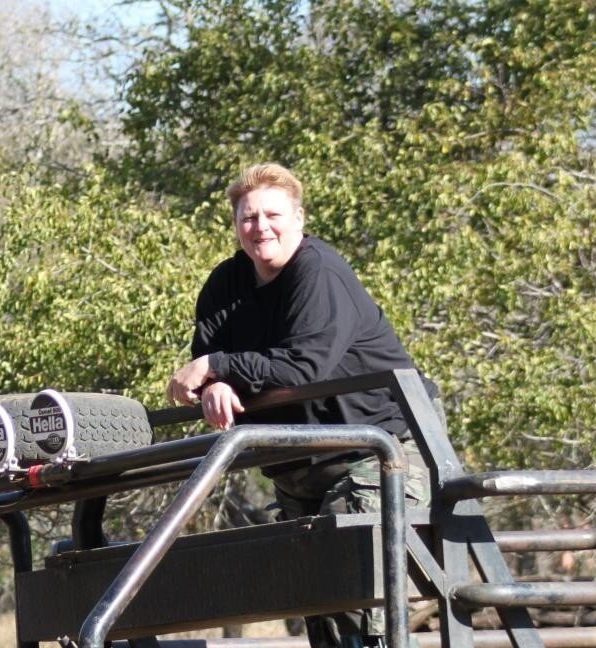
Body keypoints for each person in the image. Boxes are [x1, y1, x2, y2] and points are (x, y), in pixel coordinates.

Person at [166, 162, 437, 520]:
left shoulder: (318, 272)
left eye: (272, 214)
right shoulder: (225, 284)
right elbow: (206, 361)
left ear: (298, 218)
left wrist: (217, 368)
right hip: (295, 467)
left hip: (381, 451)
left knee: (345, 557)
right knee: (294, 569)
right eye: (249, 218)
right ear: (236, 226)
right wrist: (214, 385)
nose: (261, 227)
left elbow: (301, 368)